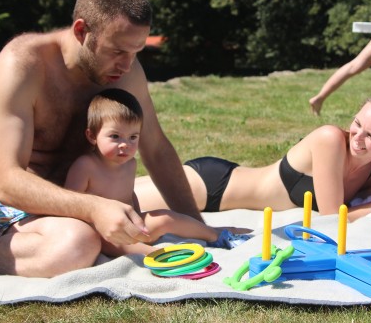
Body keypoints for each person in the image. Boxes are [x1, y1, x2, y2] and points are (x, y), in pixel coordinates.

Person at [0, 0, 206, 277]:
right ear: (81, 31)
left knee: (79, 244)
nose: (127, 65)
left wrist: (198, 228)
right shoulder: (24, 62)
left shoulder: (127, 74)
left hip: (39, 217)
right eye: (117, 51)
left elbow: (156, 148)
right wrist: (94, 208)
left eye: (136, 52)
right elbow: (6, 183)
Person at [135, 94, 371, 222]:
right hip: (213, 187)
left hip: (219, 191)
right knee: (118, 197)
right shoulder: (330, 140)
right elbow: (333, 218)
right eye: (357, 123)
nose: (357, 137)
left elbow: (355, 193)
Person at [65, 89, 247, 255]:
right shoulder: (85, 166)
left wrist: (138, 217)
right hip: (103, 233)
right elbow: (71, 206)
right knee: (114, 243)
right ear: (92, 136)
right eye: (115, 136)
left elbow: (129, 194)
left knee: (166, 218)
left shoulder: (129, 164)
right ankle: (156, 255)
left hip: (132, 224)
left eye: (133, 137)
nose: (125, 144)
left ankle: (216, 235)